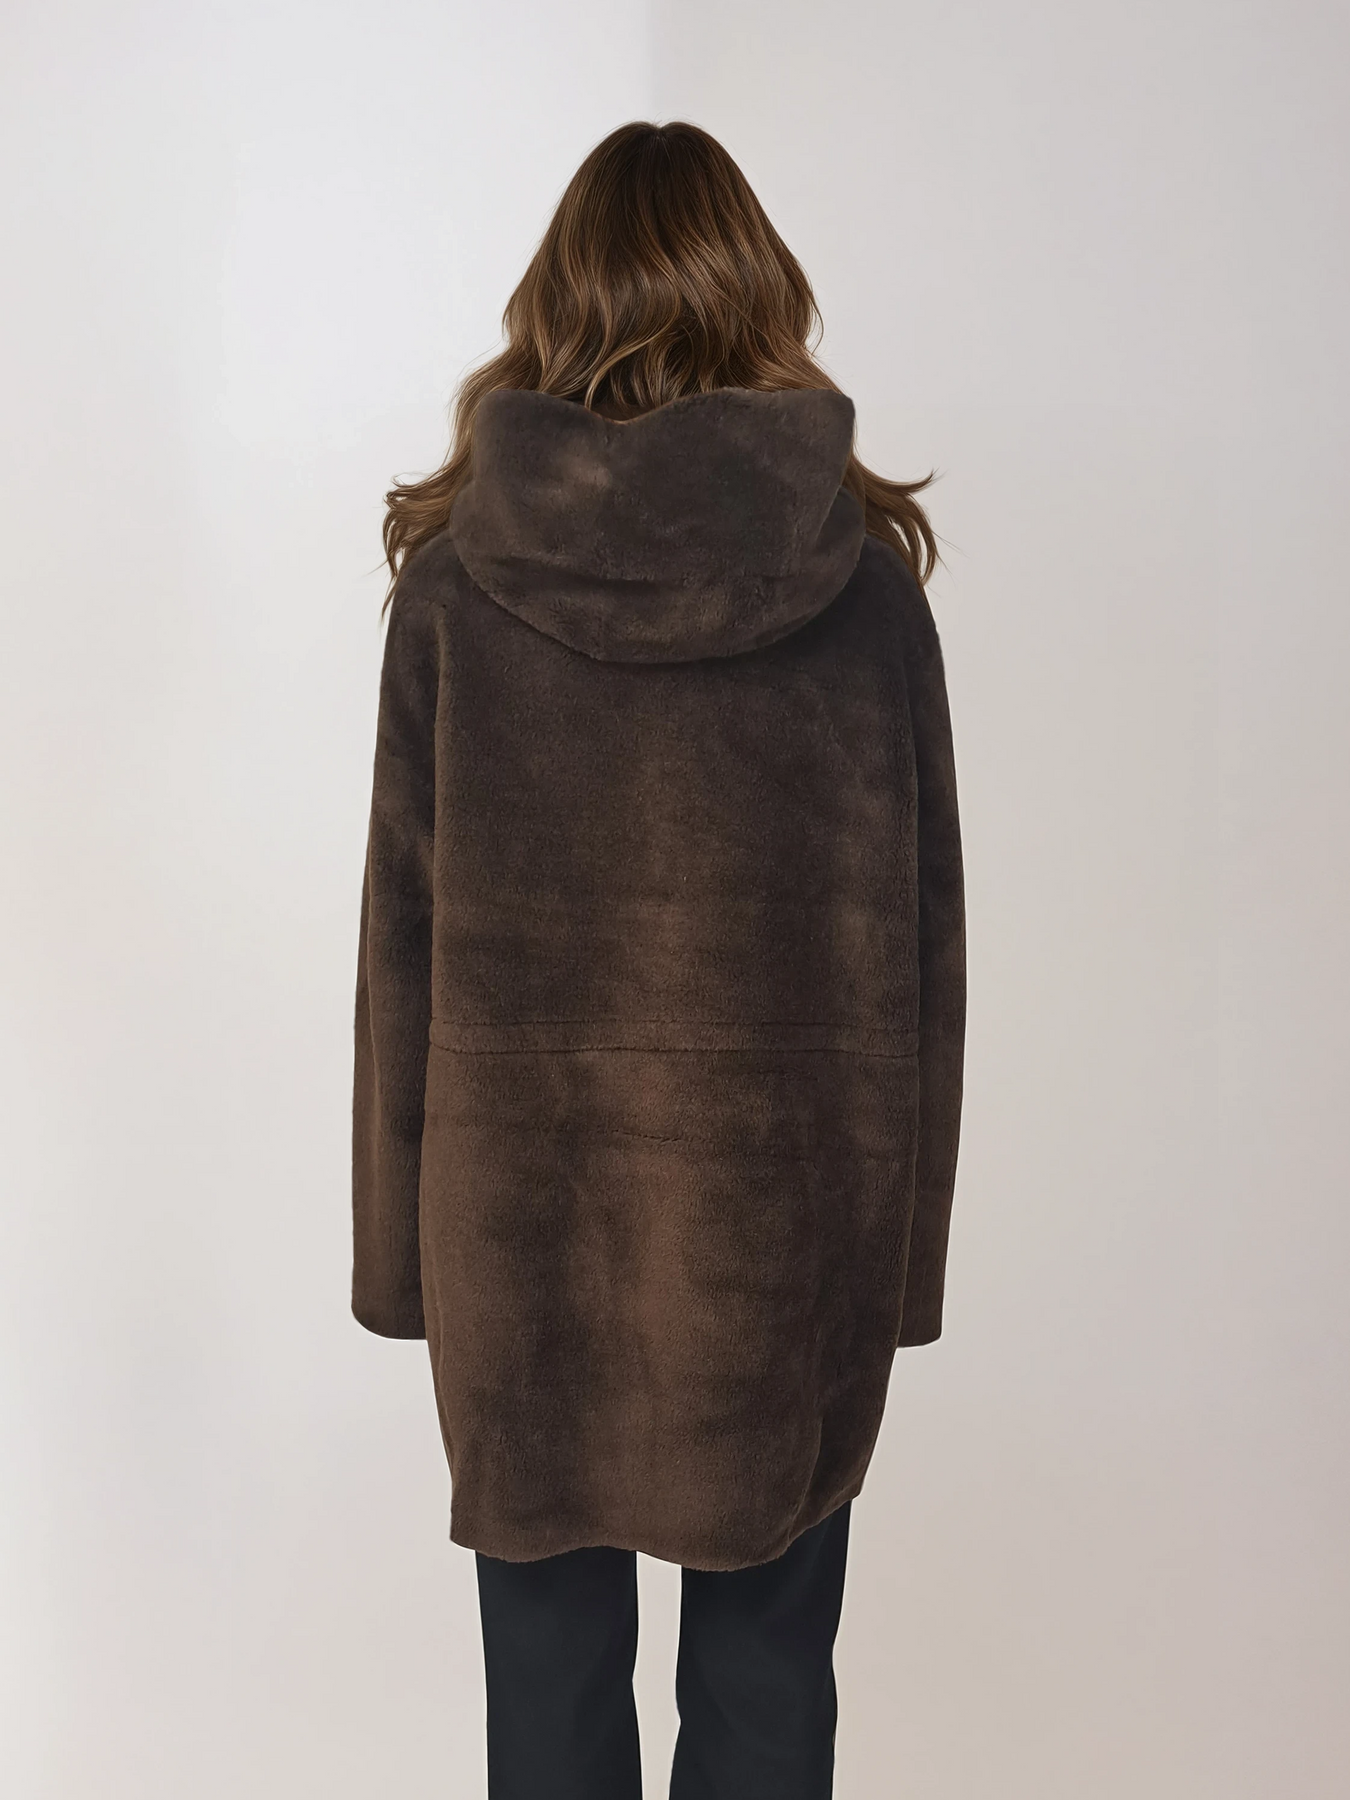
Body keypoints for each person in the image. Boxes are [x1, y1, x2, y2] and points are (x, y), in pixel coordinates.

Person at [352, 119, 966, 1800]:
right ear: (756, 290)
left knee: (547, 1699)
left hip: (521, 1229)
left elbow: (398, 949)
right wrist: (902, 1268)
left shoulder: (456, 595)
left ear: (557, 298)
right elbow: (925, 964)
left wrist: (400, 1265)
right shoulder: (865, 598)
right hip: (785, 1232)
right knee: (767, 1689)